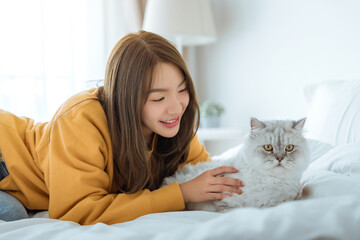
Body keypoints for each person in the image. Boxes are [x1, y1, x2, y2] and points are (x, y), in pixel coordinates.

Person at [0, 31, 243, 225]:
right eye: (158, 99)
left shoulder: (174, 123)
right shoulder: (80, 119)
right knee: (12, 215)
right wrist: (181, 194)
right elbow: (79, 212)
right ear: (126, 98)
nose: (176, 107)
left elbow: (207, 178)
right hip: (6, 157)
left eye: (182, 90)